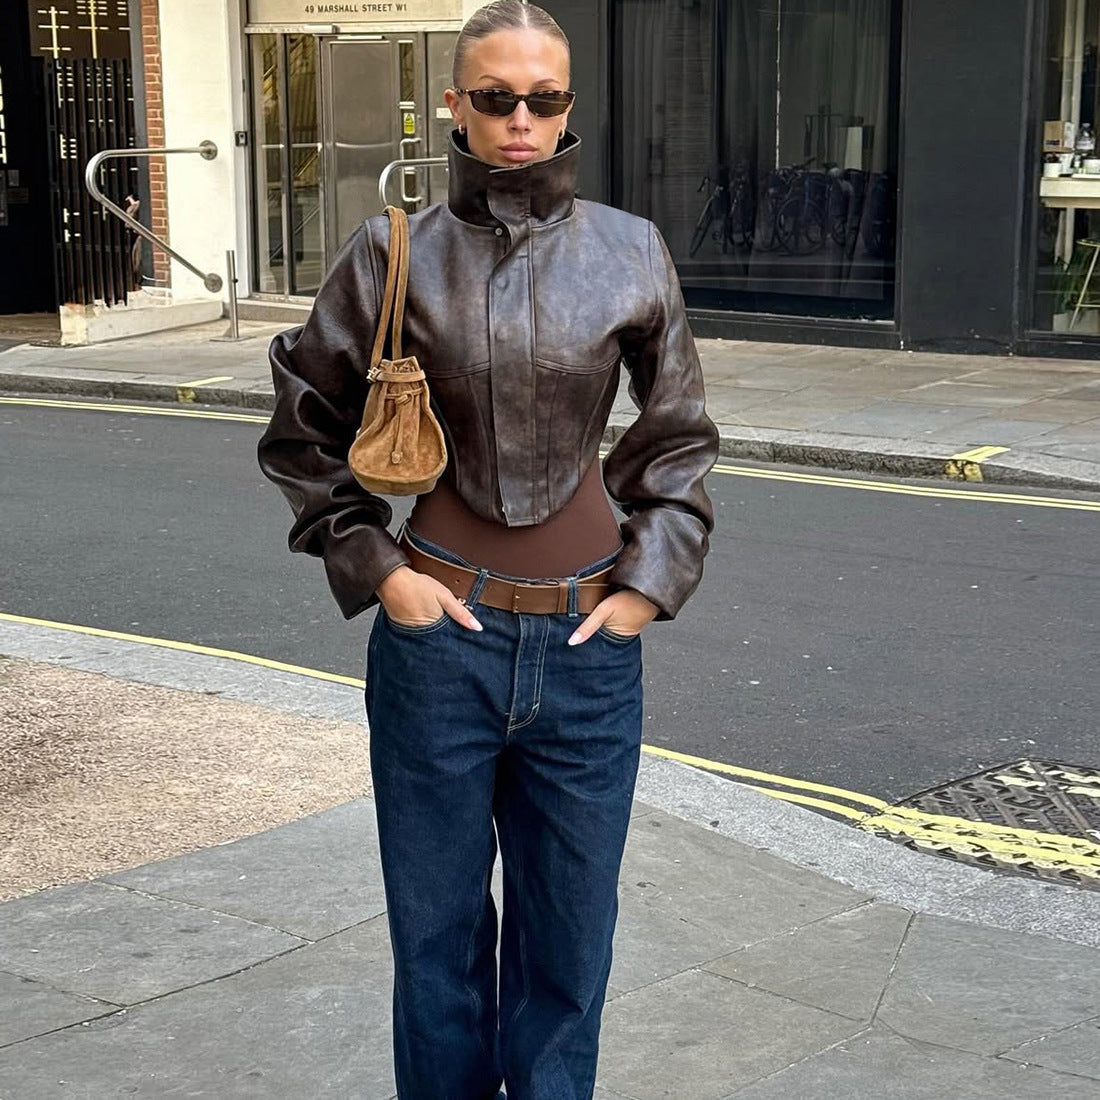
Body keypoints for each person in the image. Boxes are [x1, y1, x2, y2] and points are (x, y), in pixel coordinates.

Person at [256, 3, 718, 1095]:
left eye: (544, 100)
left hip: (587, 650)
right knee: (436, 947)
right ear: (454, 103)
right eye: (498, 97)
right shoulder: (392, 252)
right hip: (438, 649)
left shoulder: (629, 249)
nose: (521, 120)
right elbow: (301, 434)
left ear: (568, 107)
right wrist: (383, 574)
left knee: (569, 947)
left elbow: (677, 438)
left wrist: (646, 587)